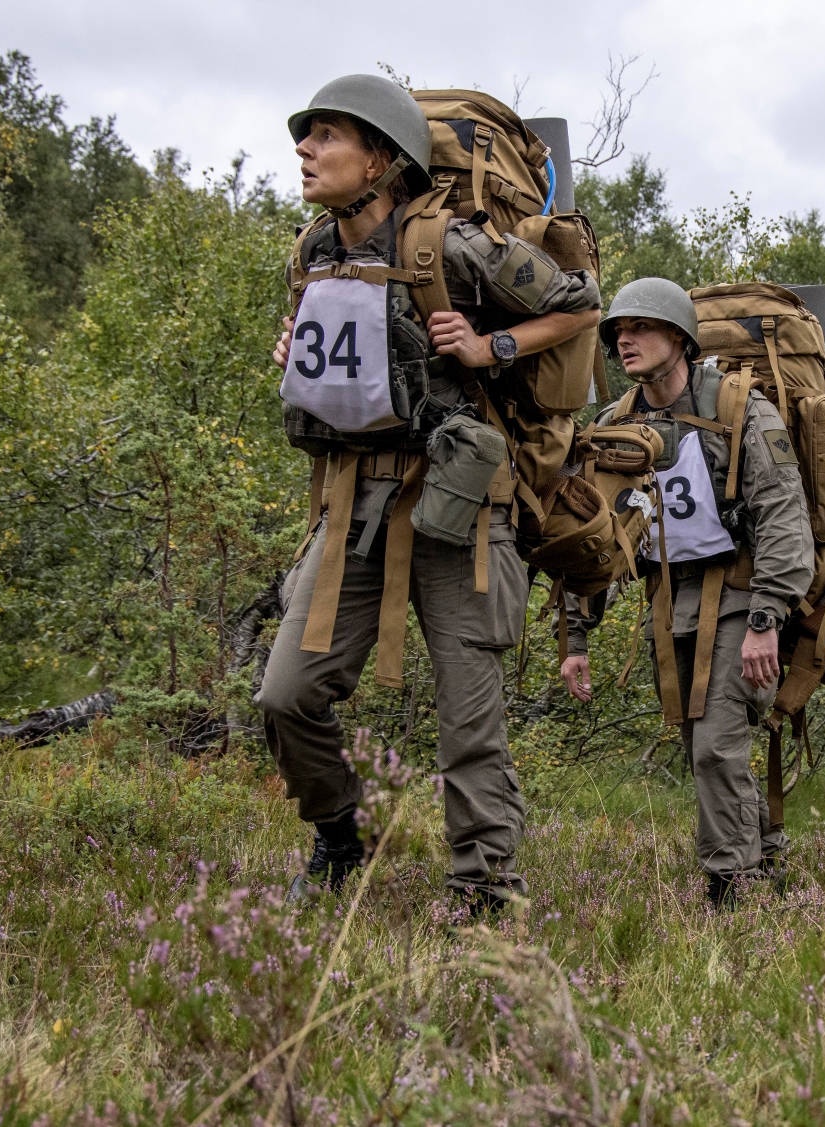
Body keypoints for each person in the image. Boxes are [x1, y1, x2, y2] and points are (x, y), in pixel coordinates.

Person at [256, 75, 600, 907]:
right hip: (351, 503)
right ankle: (339, 833)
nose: (304, 149)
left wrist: (496, 347)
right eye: (306, 137)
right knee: (285, 695)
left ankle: (485, 890)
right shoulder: (314, 250)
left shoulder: (449, 245)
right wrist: (294, 353)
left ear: (381, 157)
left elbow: (581, 304)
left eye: (327, 135)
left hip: (459, 503)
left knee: (467, 716)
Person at [558, 278, 814, 908]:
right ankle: (767, 859)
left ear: (678, 336)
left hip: (740, 597)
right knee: (704, 747)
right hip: (669, 606)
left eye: (639, 328)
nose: (625, 340)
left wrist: (765, 620)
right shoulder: (617, 425)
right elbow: (597, 537)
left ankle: (730, 889)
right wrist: (575, 634)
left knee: (718, 747)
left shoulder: (739, 408)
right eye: (618, 331)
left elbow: (784, 516)